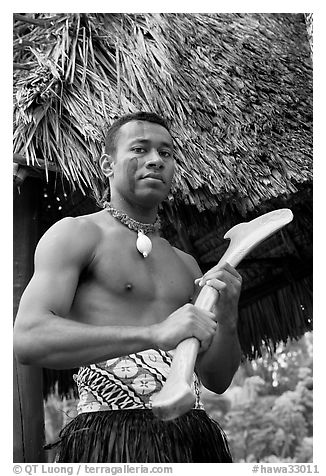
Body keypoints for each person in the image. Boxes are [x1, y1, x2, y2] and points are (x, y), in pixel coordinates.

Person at [13, 111, 243, 463]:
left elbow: (216, 379)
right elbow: (28, 338)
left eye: (166, 153)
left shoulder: (187, 264)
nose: (155, 160)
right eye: (140, 149)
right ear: (108, 164)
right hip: (106, 436)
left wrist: (227, 317)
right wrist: (154, 333)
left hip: (193, 438)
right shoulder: (76, 234)